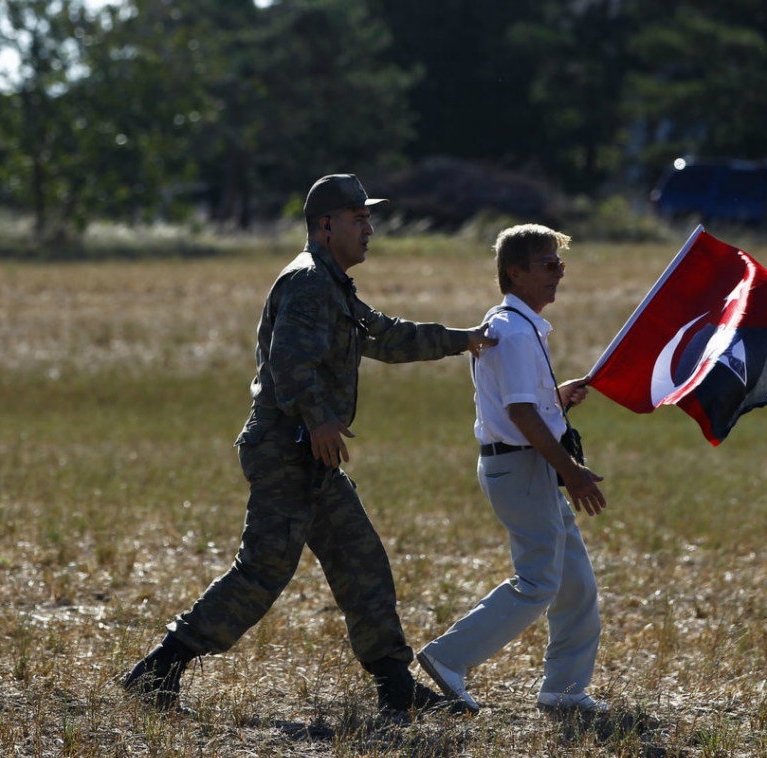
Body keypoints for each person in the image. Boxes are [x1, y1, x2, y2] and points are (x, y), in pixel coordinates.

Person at [121, 173, 496, 716]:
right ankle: (159, 670)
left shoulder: (332, 283)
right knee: (263, 569)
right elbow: (287, 363)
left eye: (369, 218)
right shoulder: (307, 283)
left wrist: (462, 341)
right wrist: (319, 418)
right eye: (358, 219)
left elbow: (386, 336)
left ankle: (394, 685)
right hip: (287, 450)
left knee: (361, 560)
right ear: (326, 226)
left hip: (309, 453)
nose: (369, 228)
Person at [416, 223, 608, 715]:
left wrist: (557, 397)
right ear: (514, 272)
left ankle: (563, 691)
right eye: (548, 265)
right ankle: (448, 656)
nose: (558, 274)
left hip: (528, 466)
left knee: (576, 585)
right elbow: (520, 416)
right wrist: (574, 470)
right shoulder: (517, 333)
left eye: (560, 265)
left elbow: (520, 404)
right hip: (523, 468)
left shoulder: (509, 324)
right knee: (539, 581)